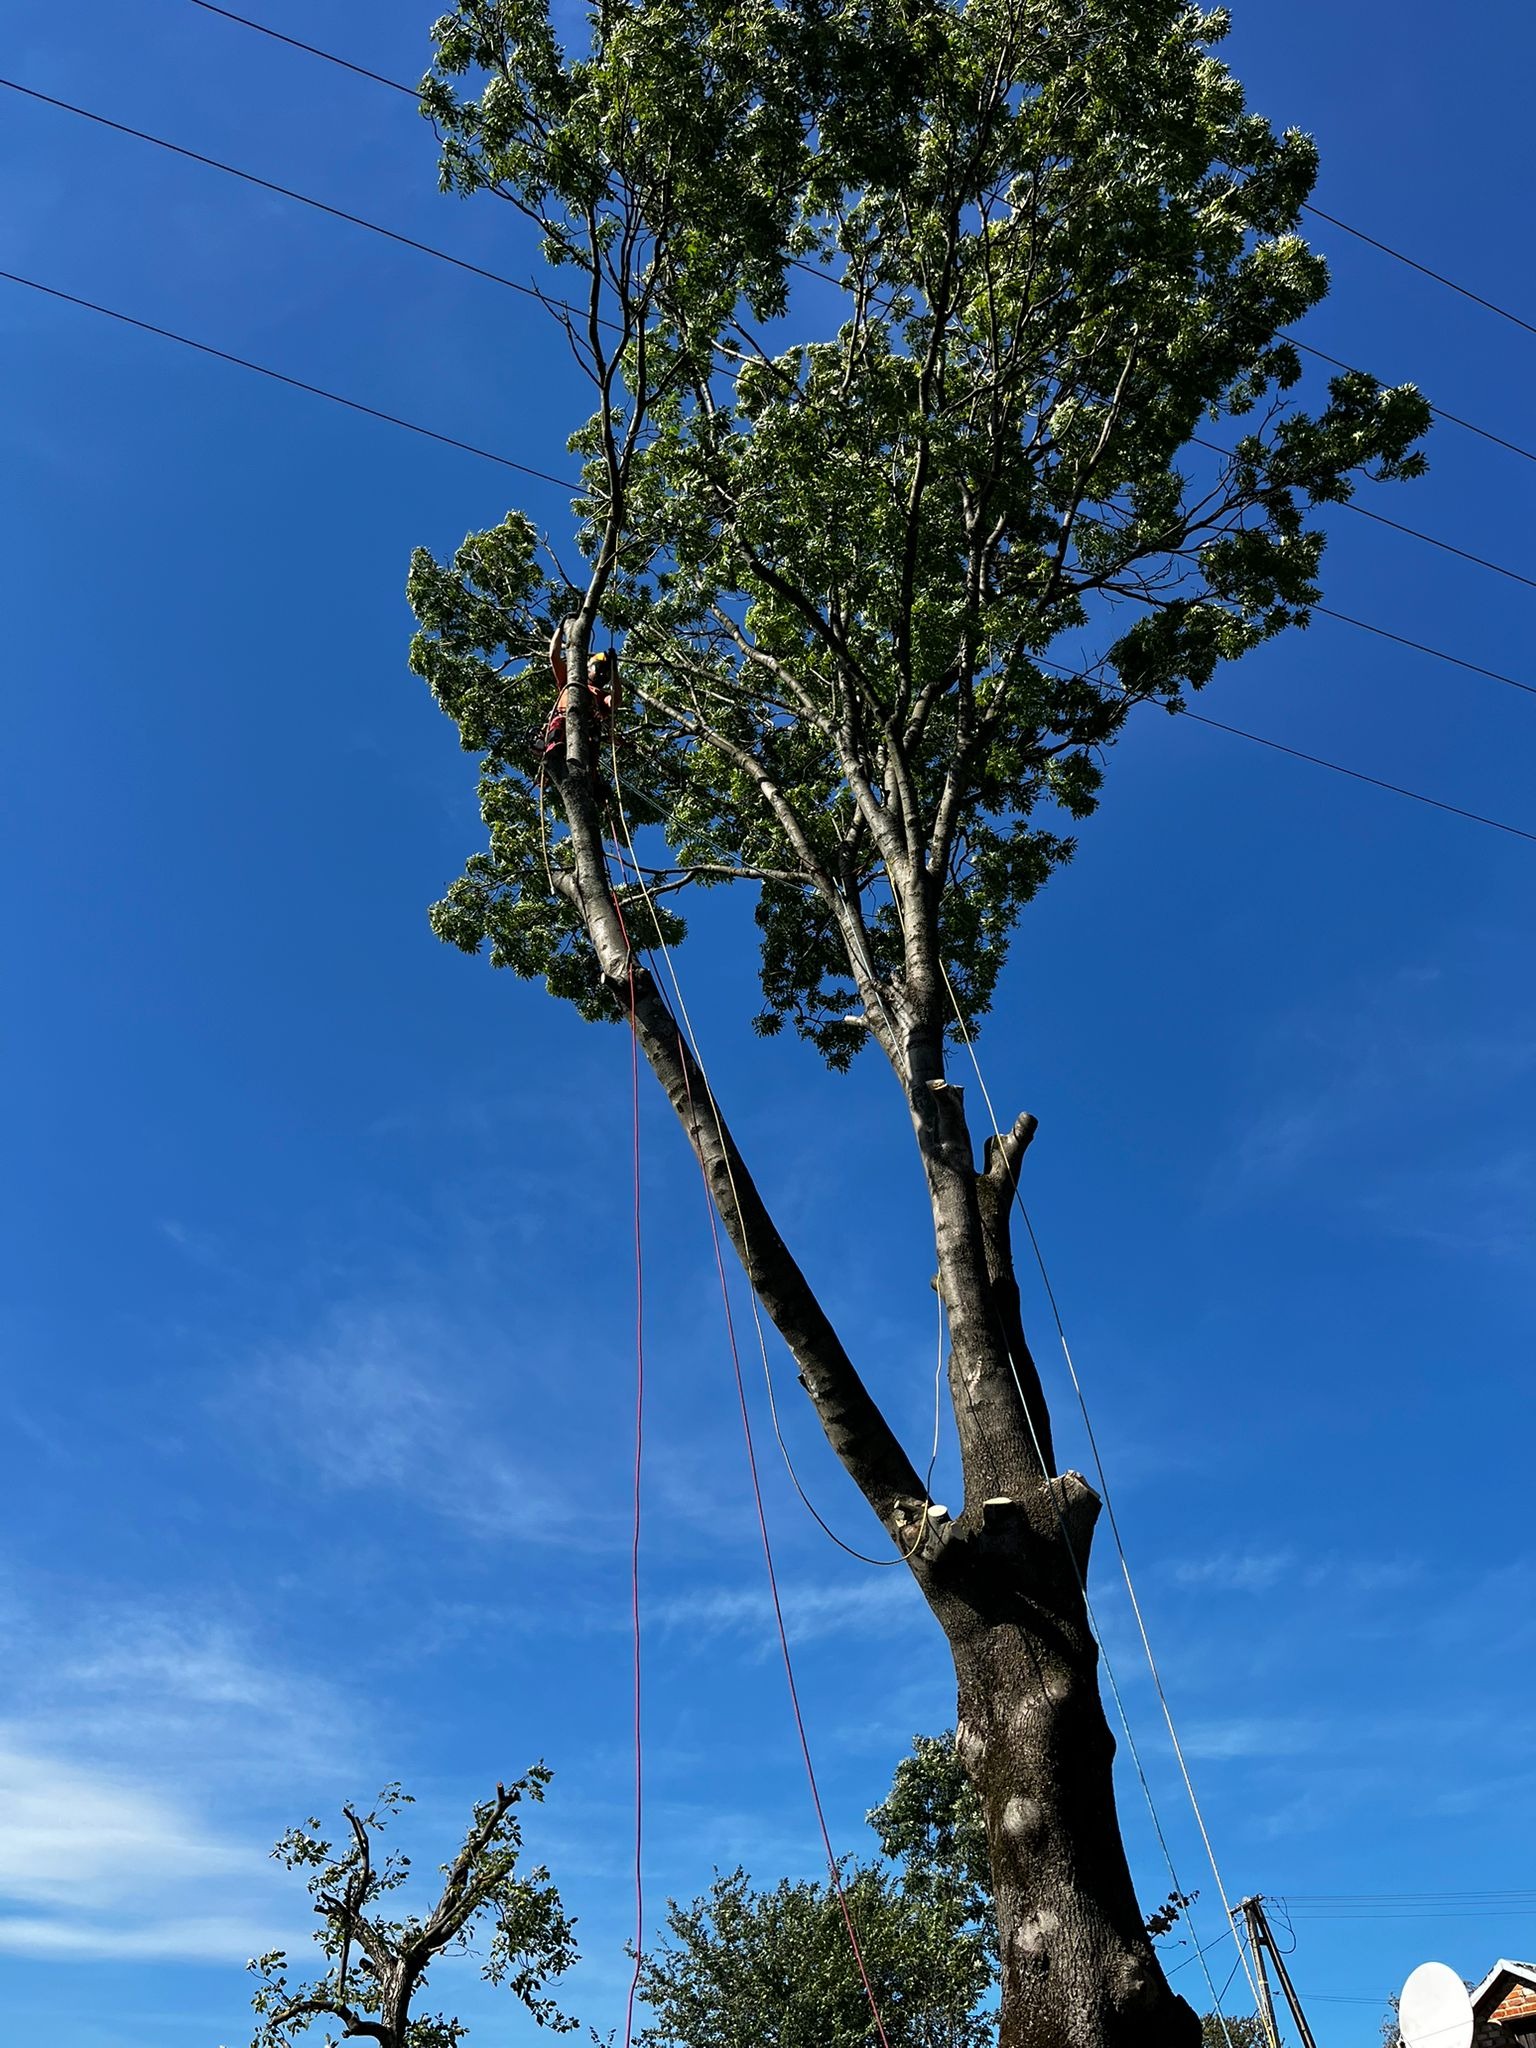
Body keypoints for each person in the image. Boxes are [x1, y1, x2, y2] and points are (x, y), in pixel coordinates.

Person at [543, 623, 617, 764]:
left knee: (591, 754)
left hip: (587, 736)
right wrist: (560, 628)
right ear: (589, 668)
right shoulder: (570, 681)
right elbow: (554, 655)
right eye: (600, 669)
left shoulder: (600, 695)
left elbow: (616, 700)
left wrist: (615, 671)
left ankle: (589, 775)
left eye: (607, 674)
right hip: (563, 724)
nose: (602, 675)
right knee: (559, 724)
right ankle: (553, 756)